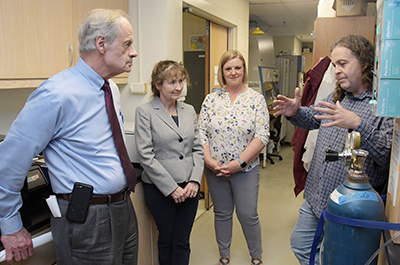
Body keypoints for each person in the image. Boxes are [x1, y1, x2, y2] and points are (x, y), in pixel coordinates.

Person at [0, 9, 139, 264]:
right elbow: (9, 162)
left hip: (123, 208)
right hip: (88, 218)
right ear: (101, 43)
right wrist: (9, 223)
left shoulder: (110, 88)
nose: (134, 52)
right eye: (127, 43)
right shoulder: (56, 94)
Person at [273, 34, 394, 265]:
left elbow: (387, 156)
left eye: (343, 63)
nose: (337, 70)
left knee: (338, 258)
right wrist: (295, 112)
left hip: (349, 206)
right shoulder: (339, 95)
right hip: (317, 195)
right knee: (300, 243)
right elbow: (313, 118)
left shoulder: (382, 105)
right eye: (334, 64)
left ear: (364, 63)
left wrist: (358, 123)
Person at [197, 50, 269, 265]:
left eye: (237, 67)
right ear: (223, 72)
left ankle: (256, 256)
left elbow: (262, 134)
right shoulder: (211, 99)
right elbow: (201, 133)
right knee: (222, 213)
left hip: (245, 170)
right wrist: (208, 160)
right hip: (215, 169)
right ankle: (224, 255)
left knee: (248, 215)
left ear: (244, 70)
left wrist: (239, 163)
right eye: (228, 68)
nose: (233, 72)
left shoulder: (256, 99)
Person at [134, 60, 204, 265]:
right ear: (158, 85)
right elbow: (146, 155)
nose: (178, 87)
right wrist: (172, 188)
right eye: (172, 82)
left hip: (189, 188)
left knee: (182, 240)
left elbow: (198, 149)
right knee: (166, 239)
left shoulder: (189, 110)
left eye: (181, 81)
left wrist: (194, 181)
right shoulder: (145, 112)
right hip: (160, 190)